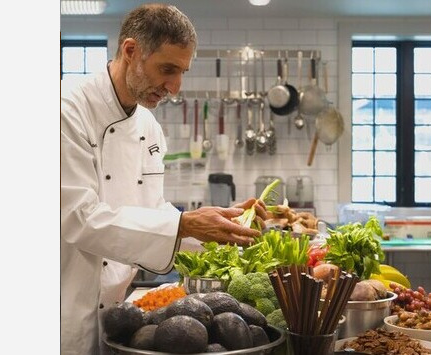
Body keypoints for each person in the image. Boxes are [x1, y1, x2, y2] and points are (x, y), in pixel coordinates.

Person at [60, 4, 266, 355]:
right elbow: (79, 218)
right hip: (63, 312)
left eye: (182, 72)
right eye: (167, 69)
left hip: (116, 313)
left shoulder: (147, 125)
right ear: (130, 51)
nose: (174, 87)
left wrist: (219, 226)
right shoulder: (66, 110)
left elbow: (152, 208)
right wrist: (185, 224)